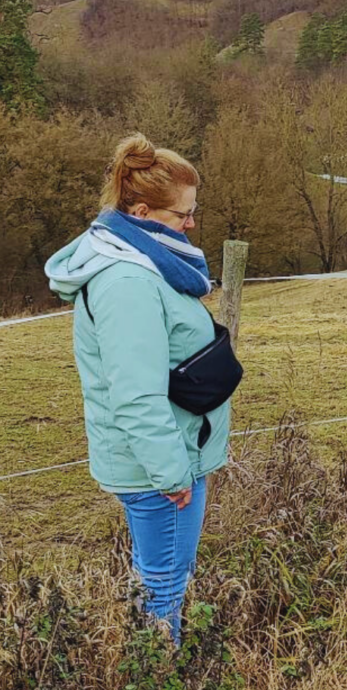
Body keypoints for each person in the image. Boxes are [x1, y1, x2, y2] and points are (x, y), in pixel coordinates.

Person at [45, 133, 233, 643]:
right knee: (164, 585)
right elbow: (135, 394)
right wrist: (172, 474)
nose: (192, 225)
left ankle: (149, 674)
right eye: (183, 215)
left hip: (168, 454)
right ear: (145, 212)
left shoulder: (148, 261)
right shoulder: (128, 281)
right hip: (160, 467)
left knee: (160, 576)